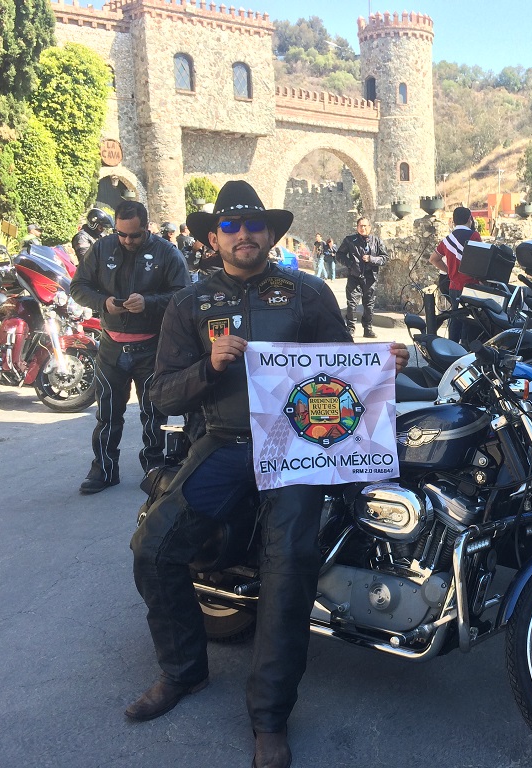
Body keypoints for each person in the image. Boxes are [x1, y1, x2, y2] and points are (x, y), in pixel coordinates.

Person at [126, 180, 408, 768]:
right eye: (230, 226)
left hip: (299, 449)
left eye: (254, 224)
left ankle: (269, 718)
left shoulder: (306, 295)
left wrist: (382, 366)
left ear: (271, 233)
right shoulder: (188, 305)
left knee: (288, 575)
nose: (243, 234)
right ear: (212, 238)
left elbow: (344, 368)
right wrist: (209, 366)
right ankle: (183, 673)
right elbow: (159, 395)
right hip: (224, 444)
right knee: (154, 548)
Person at [70, 199, 190, 494]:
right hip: (111, 347)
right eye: (121, 234)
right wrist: (103, 303)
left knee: (154, 413)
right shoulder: (102, 248)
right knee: (107, 414)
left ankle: (153, 470)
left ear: (146, 227)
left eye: (134, 235)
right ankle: (104, 469)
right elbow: (78, 287)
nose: (126, 241)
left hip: (152, 347)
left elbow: (185, 296)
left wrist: (149, 303)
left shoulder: (167, 252)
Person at [429, 206, 481, 343]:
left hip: (454, 285)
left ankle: (452, 346)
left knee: (455, 316)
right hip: (471, 286)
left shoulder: (448, 240)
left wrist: (449, 271)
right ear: (470, 219)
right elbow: (480, 261)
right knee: (469, 319)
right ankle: (465, 348)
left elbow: (433, 259)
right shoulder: (474, 236)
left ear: (454, 220)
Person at [335, 216, 388, 337]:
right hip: (354, 277)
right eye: (360, 226)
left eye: (365, 226)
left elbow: (385, 258)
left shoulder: (376, 241)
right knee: (352, 304)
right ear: (357, 227)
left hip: (370, 278)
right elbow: (339, 255)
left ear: (369, 227)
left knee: (369, 305)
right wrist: (350, 264)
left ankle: (368, 329)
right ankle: (350, 329)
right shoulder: (350, 240)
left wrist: (371, 259)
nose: (363, 228)